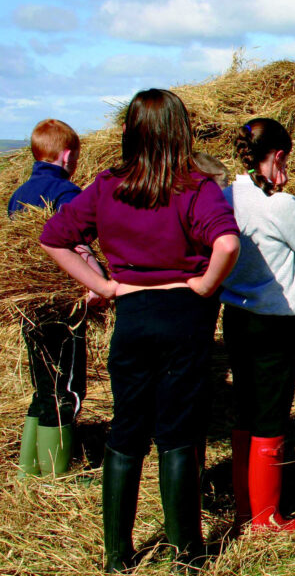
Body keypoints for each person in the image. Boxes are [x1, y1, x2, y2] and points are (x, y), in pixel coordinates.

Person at [39, 89, 241, 572]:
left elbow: (54, 238)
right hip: (183, 318)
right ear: (181, 134)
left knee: (126, 430)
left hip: (131, 318)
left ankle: (116, 555)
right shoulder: (195, 186)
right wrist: (205, 284)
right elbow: (228, 243)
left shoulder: (109, 185)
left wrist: (106, 287)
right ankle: (186, 552)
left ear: (128, 132)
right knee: (177, 431)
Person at [220, 118, 295, 534]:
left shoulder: (226, 195)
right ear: (277, 156)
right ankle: (267, 518)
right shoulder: (280, 205)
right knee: (271, 414)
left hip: (235, 316)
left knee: (244, 409)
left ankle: (246, 507)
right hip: (274, 320)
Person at [8, 118, 104, 478]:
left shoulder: (19, 193)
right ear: (67, 156)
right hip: (63, 304)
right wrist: (97, 282)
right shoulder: (67, 194)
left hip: (29, 305)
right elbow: (76, 243)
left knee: (42, 384)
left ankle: (28, 468)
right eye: (76, 157)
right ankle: (54, 475)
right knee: (67, 387)